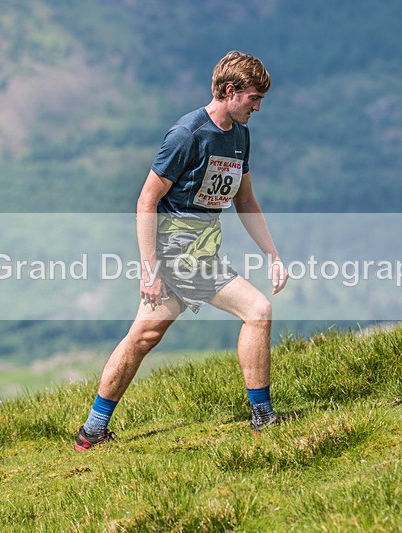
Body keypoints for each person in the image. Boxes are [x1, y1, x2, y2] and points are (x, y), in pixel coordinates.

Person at [75, 50, 289, 450]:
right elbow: (146, 200)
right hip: (178, 253)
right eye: (253, 98)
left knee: (143, 336)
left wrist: (273, 255)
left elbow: (245, 201)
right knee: (257, 311)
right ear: (230, 91)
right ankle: (264, 417)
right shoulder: (187, 134)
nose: (258, 107)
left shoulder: (240, 134)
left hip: (201, 250)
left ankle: (92, 430)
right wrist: (150, 269)